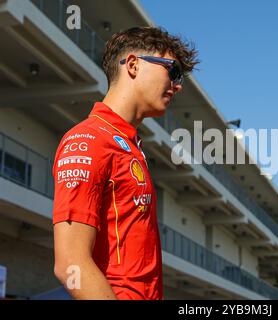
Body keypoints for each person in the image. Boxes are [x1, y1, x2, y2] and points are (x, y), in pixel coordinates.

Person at [52, 26, 199, 300]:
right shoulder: (90, 139)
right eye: (173, 71)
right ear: (133, 65)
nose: (177, 85)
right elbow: (70, 264)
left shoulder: (130, 145)